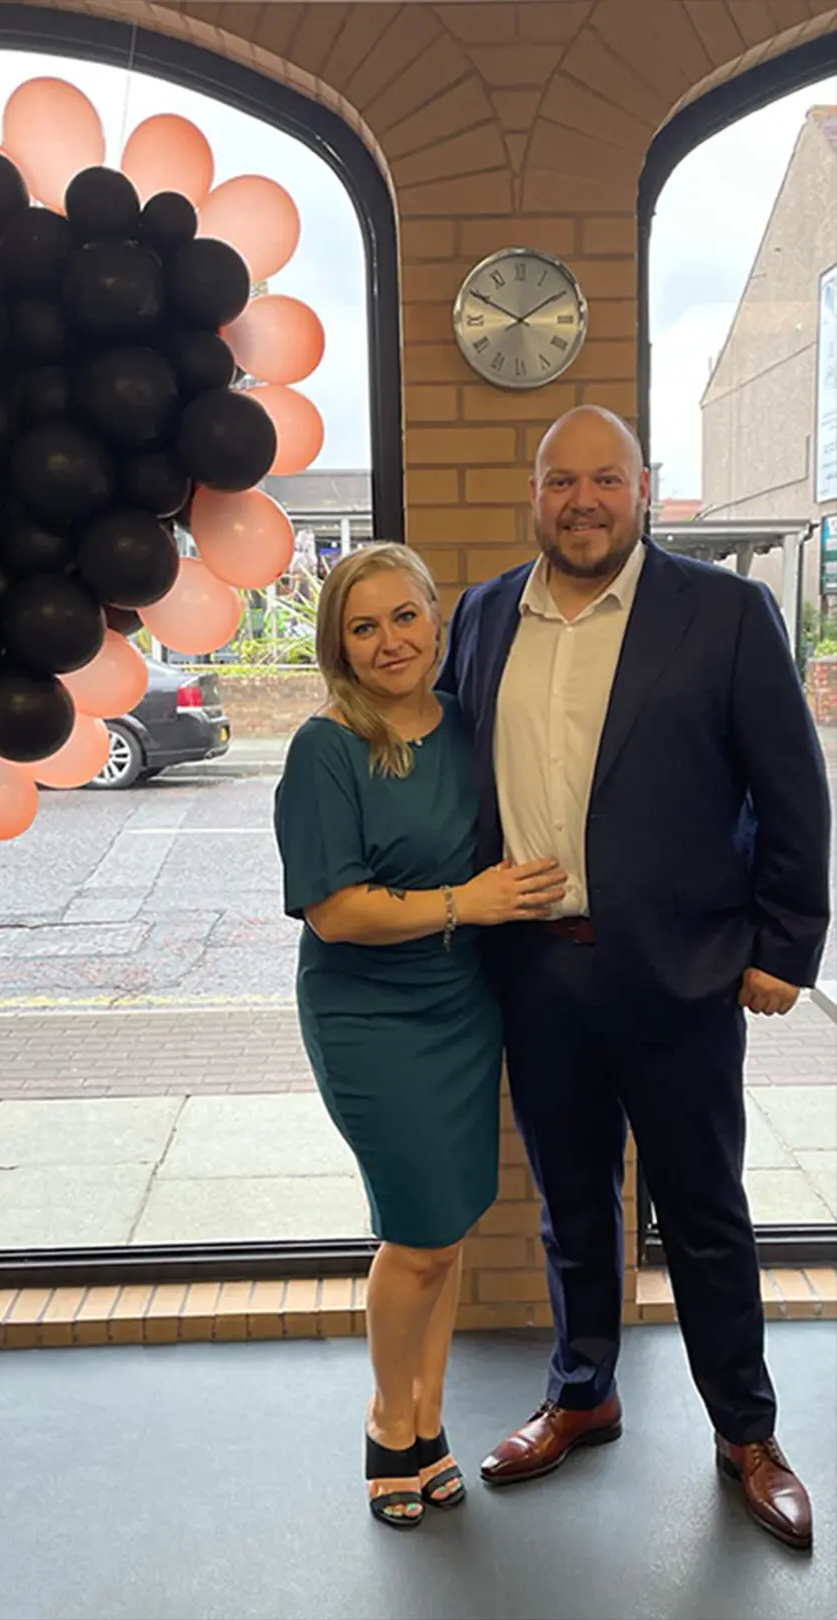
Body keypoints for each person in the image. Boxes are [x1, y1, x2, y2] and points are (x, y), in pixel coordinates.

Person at [439, 405, 831, 1551]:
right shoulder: (480, 616)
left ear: (646, 489)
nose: (584, 501)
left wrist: (782, 949)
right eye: (563, 481)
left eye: (606, 479)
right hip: (536, 972)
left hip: (684, 975)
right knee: (571, 1206)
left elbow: (794, 793)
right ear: (535, 493)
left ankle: (746, 1433)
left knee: (706, 1212)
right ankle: (582, 1392)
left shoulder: (724, 614)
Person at [273, 544, 566, 1531]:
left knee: (446, 1233)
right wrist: (468, 902)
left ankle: (430, 1418)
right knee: (417, 1234)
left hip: (461, 1007)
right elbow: (336, 913)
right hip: (369, 1017)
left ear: (439, 622)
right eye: (364, 625)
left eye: (406, 617)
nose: (389, 640)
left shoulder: (467, 729)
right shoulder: (325, 747)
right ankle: (386, 1424)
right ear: (338, 645)